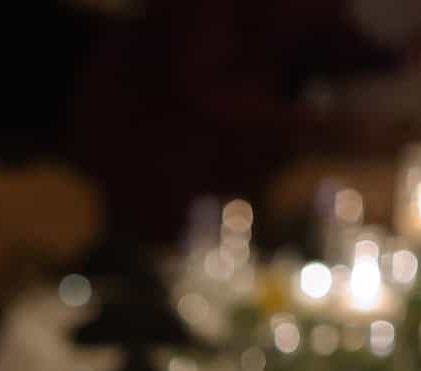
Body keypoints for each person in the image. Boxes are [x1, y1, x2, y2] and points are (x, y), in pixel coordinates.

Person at [67, 0, 420, 244]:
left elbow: (319, 34)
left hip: (236, 151)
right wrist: (334, 129)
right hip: (161, 145)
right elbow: (207, 86)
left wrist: (394, 57)